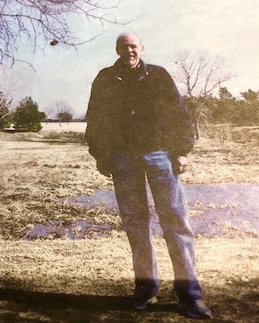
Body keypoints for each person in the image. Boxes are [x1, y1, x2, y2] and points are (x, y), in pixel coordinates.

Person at [85, 32, 212, 319]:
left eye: (133, 46)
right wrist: (102, 155)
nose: (129, 51)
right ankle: (145, 289)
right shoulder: (105, 78)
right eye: (123, 46)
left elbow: (179, 114)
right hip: (123, 159)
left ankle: (190, 296)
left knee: (176, 223)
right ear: (116, 50)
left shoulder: (158, 76)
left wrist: (181, 151)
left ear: (142, 48)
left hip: (160, 156)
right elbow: (96, 119)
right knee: (136, 224)